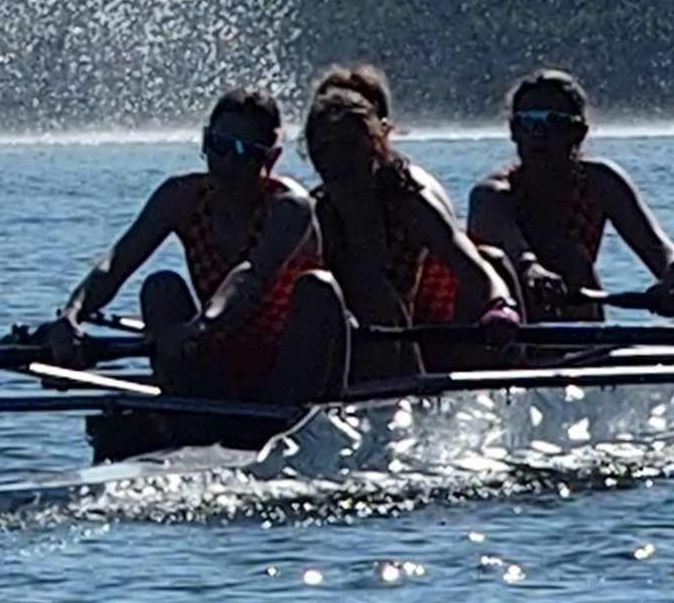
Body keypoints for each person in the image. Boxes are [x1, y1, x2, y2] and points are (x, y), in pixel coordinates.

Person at [58, 88, 343, 410]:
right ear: (206, 142)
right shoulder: (180, 198)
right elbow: (116, 264)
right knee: (160, 287)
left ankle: (280, 417)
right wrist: (71, 315)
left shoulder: (290, 207)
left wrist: (202, 325)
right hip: (219, 352)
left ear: (271, 159)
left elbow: (251, 276)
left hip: (293, 360)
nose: (226, 163)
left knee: (319, 289)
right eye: (218, 147)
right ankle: (191, 416)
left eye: (244, 152)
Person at [299, 68, 521, 378]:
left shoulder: (409, 203)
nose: (335, 161)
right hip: (336, 352)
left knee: (374, 290)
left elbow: (477, 273)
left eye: (349, 147)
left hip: (399, 349)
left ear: (377, 143)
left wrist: (501, 307)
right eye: (323, 149)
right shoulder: (313, 212)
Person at [469, 69, 674, 321]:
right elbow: (516, 252)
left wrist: (673, 277)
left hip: (569, 314)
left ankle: (584, 348)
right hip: (498, 323)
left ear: (578, 132)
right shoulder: (491, 194)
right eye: (527, 122)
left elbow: (659, 247)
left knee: (572, 259)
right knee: (566, 254)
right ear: (514, 131)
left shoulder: (602, 182)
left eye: (552, 122)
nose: (538, 134)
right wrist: (531, 269)